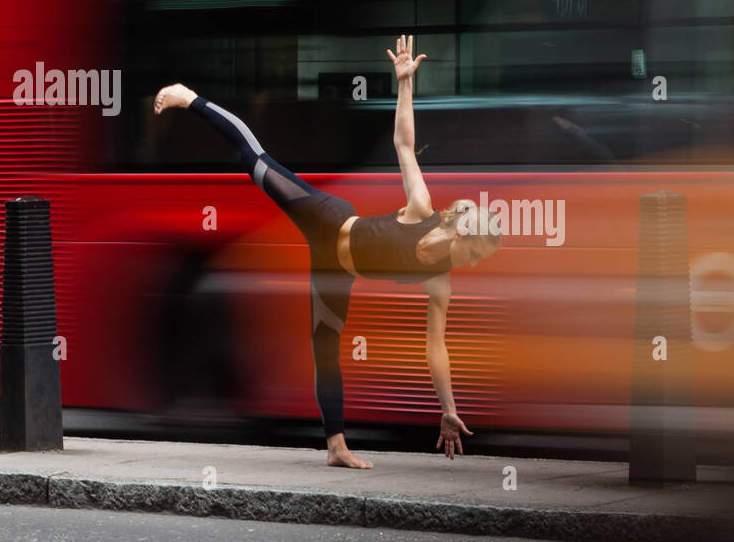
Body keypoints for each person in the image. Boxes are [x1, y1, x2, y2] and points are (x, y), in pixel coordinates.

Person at [153, 35, 502, 469]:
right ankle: (190, 98)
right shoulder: (422, 211)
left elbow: (436, 349)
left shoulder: (440, 281)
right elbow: (405, 146)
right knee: (257, 161)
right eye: (478, 252)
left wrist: (448, 409)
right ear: (462, 234)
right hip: (330, 219)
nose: (475, 262)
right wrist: (406, 84)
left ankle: (336, 448)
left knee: (325, 349)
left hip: (335, 270)